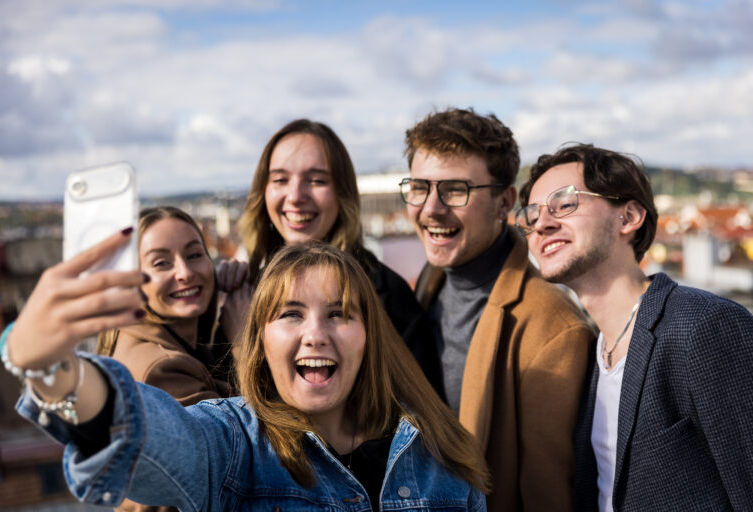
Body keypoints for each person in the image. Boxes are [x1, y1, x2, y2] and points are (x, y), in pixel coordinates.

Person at [2, 236, 488, 510]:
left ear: (369, 336)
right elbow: (143, 430)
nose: (316, 334)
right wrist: (50, 369)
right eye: (291, 314)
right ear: (260, 340)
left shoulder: (437, 456)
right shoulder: (232, 445)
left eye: (339, 314)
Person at [517, 143, 753, 511]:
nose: (541, 224)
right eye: (531, 216)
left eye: (564, 203)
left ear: (628, 217)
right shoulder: (591, 355)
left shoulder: (703, 327)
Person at [402, 107, 594, 511]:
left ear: (504, 201)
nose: (432, 209)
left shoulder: (553, 329)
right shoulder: (432, 280)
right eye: (419, 187)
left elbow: (548, 497)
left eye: (455, 190)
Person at [229, 118, 443, 395]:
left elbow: (417, 412)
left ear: (343, 193)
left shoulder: (387, 297)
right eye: (280, 179)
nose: (295, 196)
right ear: (263, 191)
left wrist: (241, 341)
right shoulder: (242, 293)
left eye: (316, 180)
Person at [95, 207, 244, 512]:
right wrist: (244, 338)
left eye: (194, 255)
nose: (185, 272)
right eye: (161, 263)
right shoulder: (160, 369)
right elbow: (240, 464)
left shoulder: (158, 337)